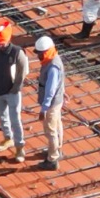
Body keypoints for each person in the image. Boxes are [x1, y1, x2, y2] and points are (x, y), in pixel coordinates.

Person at [0, 21, 30, 163]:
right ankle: (8, 138)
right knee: (2, 116)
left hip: (12, 92)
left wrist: (15, 88)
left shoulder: (17, 52)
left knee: (15, 119)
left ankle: (19, 147)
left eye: (2, 43)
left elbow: (22, 72)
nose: (0, 45)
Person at [34, 35, 65, 170]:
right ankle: (57, 150)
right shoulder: (54, 60)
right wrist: (63, 92)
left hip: (52, 103)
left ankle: (52, 159)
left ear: (46, 52)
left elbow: (50, 91)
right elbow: (60, 82)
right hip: (57, 100)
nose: (38, 56)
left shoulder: (52, 67)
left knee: (50, 130)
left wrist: (44, 109)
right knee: (57, 126)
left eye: (40, 54)